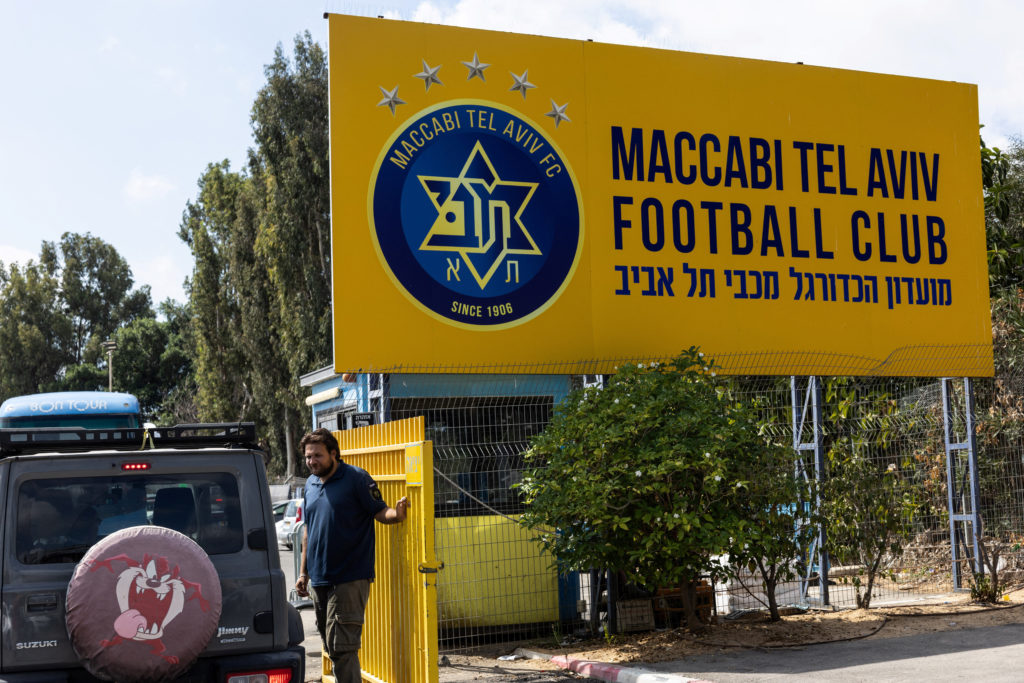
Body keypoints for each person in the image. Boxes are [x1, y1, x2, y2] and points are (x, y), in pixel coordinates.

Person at [294, 428, 408, 682]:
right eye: (308, 457)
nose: (312, 461)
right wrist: (304, 573)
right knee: (331, 646)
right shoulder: (311, 484)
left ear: (333, 453)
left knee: (343, 648)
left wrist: (397, 515)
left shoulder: (356, 478)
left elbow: (379, 511)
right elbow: (308, 531)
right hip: (320, 580)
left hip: (349, 577)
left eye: (318, 456)